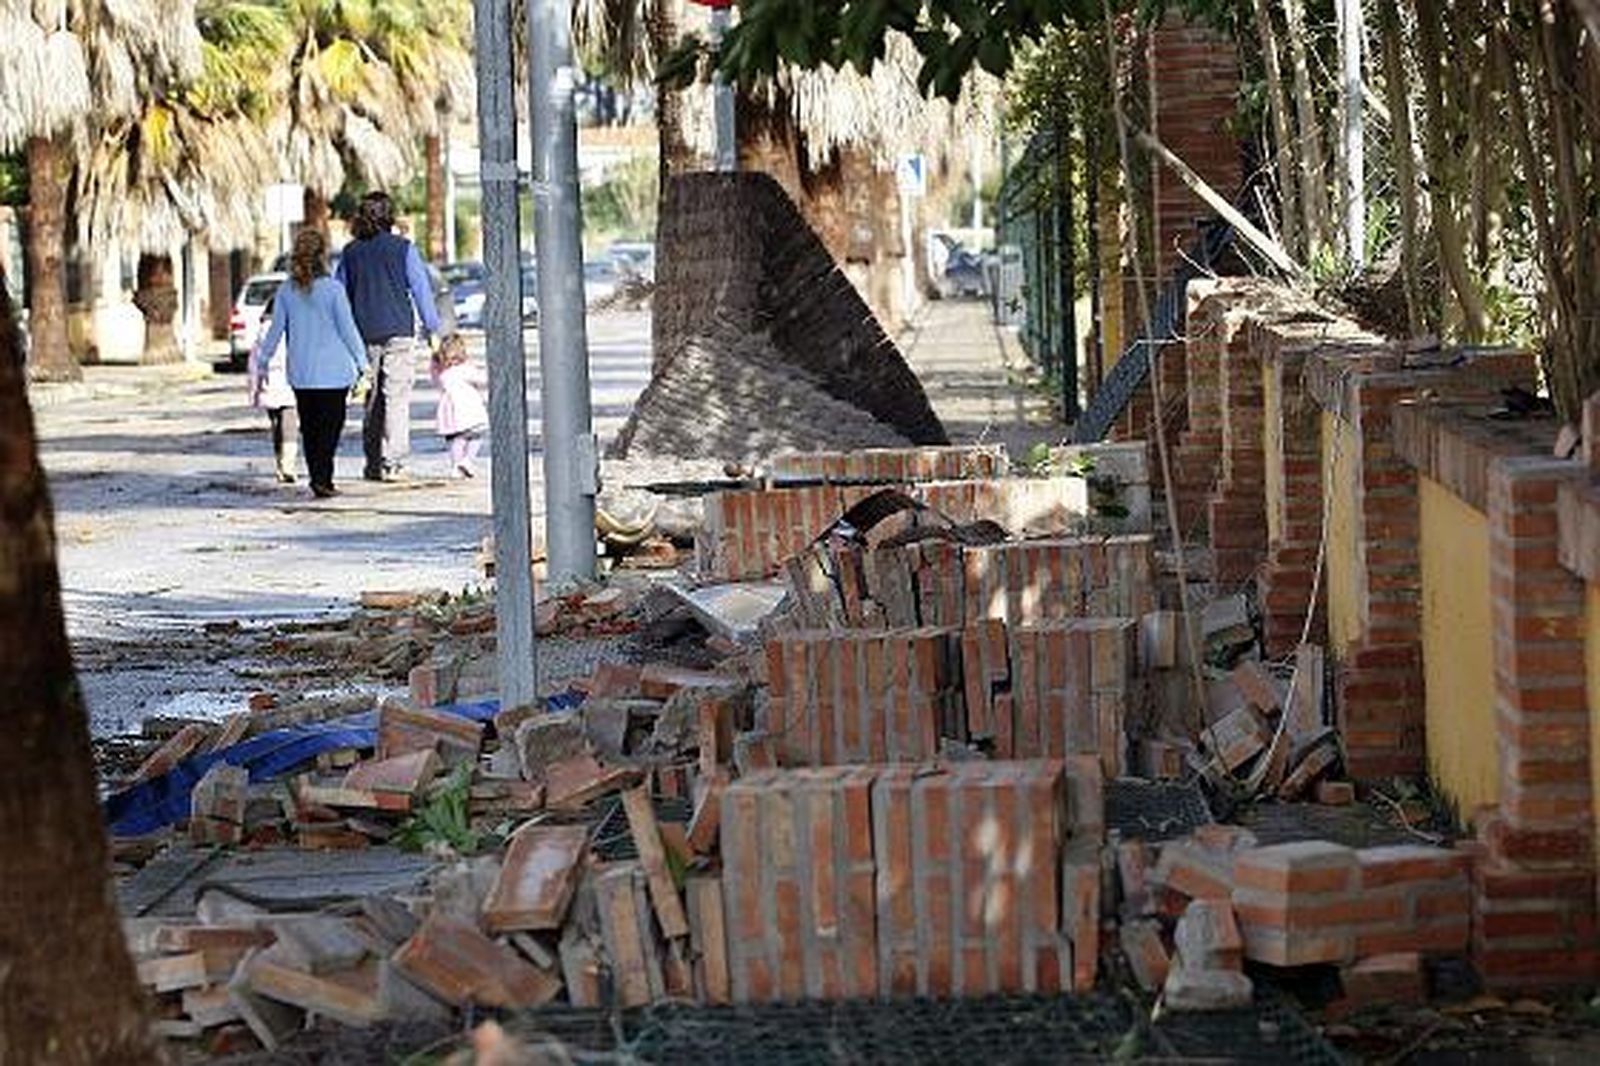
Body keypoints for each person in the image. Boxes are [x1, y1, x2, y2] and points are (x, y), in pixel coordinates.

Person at [252, 229, 368, 499]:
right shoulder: (333, 290)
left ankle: (319, 477)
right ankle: (322, 478)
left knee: (311, 429)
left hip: (302, 373)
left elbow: (275, 331)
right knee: (330, 429)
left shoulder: (286, 292)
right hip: (335, 373)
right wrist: (363, 363)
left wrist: (263, 361)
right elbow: (348, 329)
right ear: (323, 255)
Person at [336, 190, 442, 482]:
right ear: (389, 216)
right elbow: (421, 290)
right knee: (396, 397)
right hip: (399, 330)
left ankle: (372, 463)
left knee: (371, 399)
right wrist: (433, 329)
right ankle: (393, 462)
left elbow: (339, 295)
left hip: (362, 333)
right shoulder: (404, 248)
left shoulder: (350, 252)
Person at [246, 294, 299, 483]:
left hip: (269, 384)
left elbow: (254, 363)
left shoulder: (262, 331)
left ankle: (281, 463)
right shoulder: (293, 327)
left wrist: (255, 389)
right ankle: (288, 463)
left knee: (277, 425)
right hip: (290, 383)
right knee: (289, 423)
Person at [431, 333, 488, 478]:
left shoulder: (442, 373)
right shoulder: (465, 369)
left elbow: (435, 379)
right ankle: (468, 460)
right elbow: (482, 379)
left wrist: (435, 360)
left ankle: (456, 465)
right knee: (476, 435)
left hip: (449, 412)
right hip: (468, 410)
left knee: (456, 439)